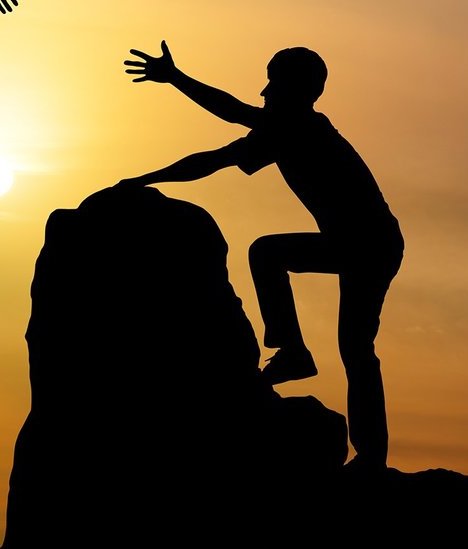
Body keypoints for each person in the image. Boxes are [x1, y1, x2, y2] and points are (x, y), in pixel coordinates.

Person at [117, 41, 404, 470]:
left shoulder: (303, 128)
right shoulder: (283, 134)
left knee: (270, 255)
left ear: (294, 89)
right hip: (373, 243)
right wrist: (144, 180)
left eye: (273, 82)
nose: (264, 91)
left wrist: (176, 78)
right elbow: (214, 159)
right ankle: (370, 453)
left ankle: (294, 354)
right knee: (356, 347)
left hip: (370, 242)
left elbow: (233, 111)